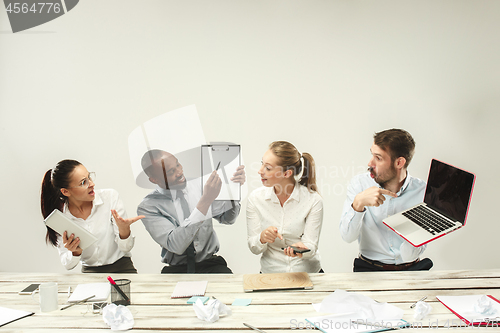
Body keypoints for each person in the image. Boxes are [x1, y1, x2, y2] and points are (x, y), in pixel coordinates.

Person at [137, 149, 246, 274]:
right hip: (177, 270)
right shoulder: (148, 206)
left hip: (211, 265)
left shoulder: (199, 185)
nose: (179, 172)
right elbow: (176, 245)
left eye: (177, 165)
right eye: (171, 171)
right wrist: (205, 201)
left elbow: (228, 218)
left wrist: (232, 191)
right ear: (154, 180)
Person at [340, 129, 433, 272]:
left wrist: (414, 226)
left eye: (378, 158)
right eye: (372, 155)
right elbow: (347, 237)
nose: (370, 163)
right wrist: (358, 204)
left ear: (399, 162)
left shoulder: (423, 192)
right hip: (369, 270)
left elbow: (409, 256)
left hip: (412, 269)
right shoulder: (359, 184)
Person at [40, 159, 144, 273]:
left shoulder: (110, 198)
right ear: (65, 192)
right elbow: (68, 265)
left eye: (89, 177)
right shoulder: (61, 217)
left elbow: (126, 248)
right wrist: (75, 252)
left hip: (122, 267)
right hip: (89, 273)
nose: (92, 184)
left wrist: (124, 231)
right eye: (83, 182)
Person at [247, 141, 323, 273]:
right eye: (262, 164)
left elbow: (311, 245)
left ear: (287, 174)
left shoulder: (313, 200)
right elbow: (254, 247)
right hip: (270, 274)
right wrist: (262, 238)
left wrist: (302, 249)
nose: (260, 171)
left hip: (307, 273)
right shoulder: (255, 199)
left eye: (268, 168)